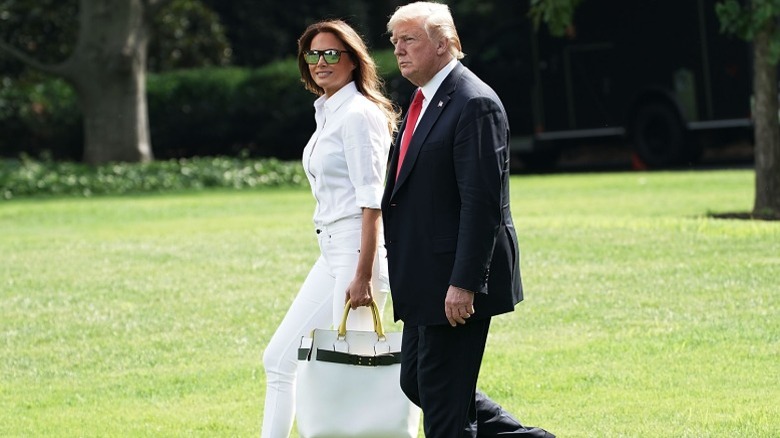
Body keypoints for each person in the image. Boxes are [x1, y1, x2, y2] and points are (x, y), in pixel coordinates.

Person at [381, 3, 555, 437]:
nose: (399, 51)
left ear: (444, 44)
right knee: (418, 381)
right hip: (425, 276)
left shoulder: (474, 102)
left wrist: (465, 283)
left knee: (443, 409)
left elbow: (482, 205)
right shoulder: (422, 99)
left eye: (409, 40)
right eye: (395, 41)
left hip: (454, 280)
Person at [261, 19, 399, 438]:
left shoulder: (358, 114)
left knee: (350, 381)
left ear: (353, 61)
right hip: (332, 252)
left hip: (357, 255)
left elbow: (372, 201)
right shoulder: (329, 111)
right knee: (280, 360)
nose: (320, 62)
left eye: (331, 53)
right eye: (313, 54)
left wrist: (363, 276)